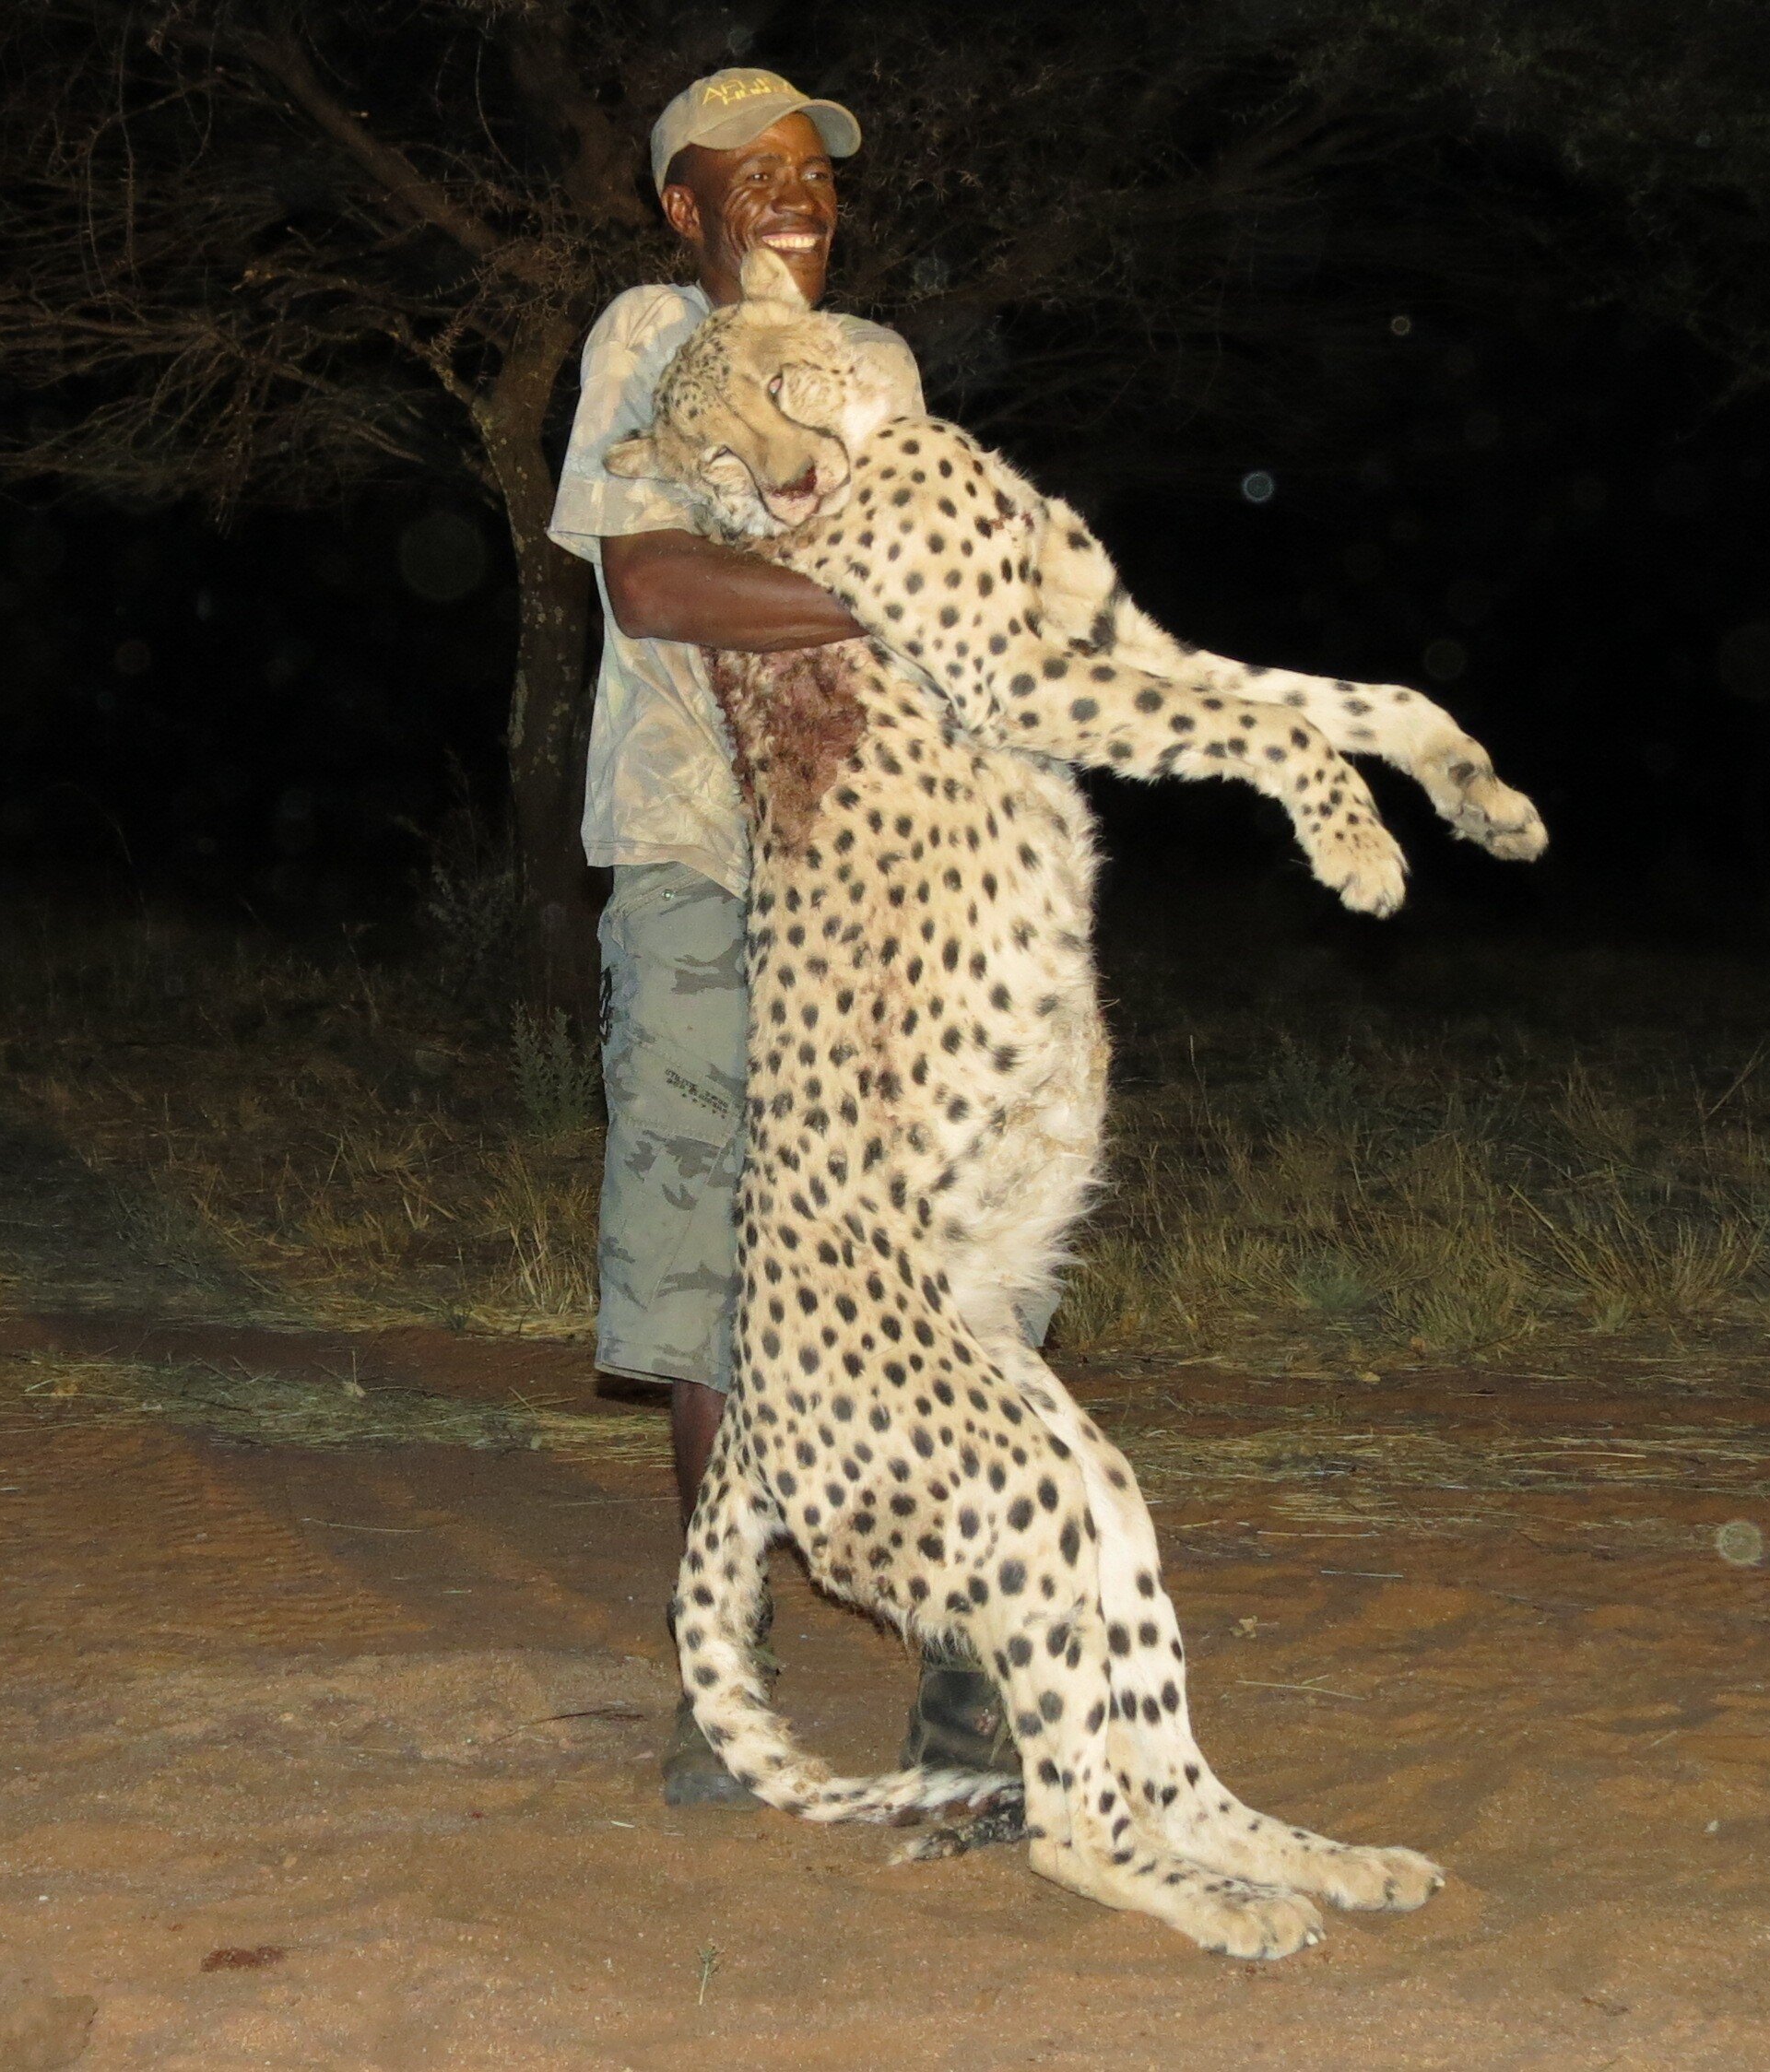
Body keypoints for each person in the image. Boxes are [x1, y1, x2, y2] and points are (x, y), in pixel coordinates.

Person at [544, 67, 1027, 1806]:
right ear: (686, 209)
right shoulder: (646, 336)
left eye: (811, 169)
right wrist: (881, 584)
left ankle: (976, 1669)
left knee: (932, 1260)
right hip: (696, 859)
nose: (790, 194)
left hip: (882, 868)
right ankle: (720, 1664)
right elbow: (655, 583)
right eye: (748, 175)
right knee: (704, 1278)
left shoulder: (880, 366)